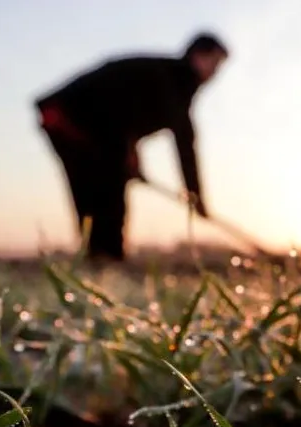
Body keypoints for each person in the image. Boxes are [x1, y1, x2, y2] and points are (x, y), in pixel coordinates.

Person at [33, 31, 229, 262]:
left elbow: (184, 143)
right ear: (198, 56)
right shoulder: (168, 82)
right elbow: (118, 111)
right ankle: (105, 256)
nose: (215, 73)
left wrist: (196, 198)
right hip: (69, 116)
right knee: (105, 185)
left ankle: (101, 256)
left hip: (78, 120)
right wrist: (128, 155)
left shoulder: (174, 88)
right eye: (214, 64)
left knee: (100, 184)